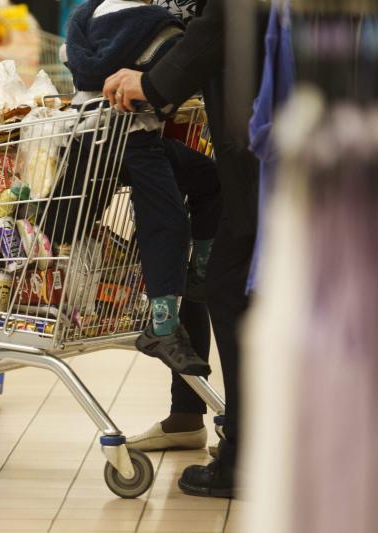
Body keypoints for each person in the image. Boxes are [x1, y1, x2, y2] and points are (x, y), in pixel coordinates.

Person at [103, 0, 264, 498]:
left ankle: (246, 455)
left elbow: (230, 19)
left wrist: (152, 83)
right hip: (295, 119)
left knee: (231, 284)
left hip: (262, 129)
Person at [64, 0, 217, 377]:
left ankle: (200, 276)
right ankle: (163, 325)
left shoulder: (86, 18)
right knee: (167, 218)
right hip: (131, 137)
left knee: (204, 176)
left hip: (89, 136)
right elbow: (177, 76)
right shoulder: (157, 26)